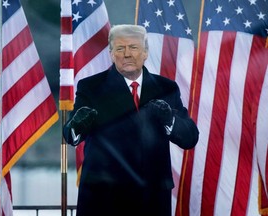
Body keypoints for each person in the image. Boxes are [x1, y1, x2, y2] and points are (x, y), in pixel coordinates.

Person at [63, 24, 199, 216]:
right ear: (111, 54)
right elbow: (71, 134)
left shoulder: (166, 88)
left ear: (145, 53)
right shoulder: (91, 87)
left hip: (152, 197)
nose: (127, 54)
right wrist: (77, 124)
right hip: (104, 198)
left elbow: (190, 137)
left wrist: (170, 120)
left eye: (133, 47)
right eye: (120, 48)